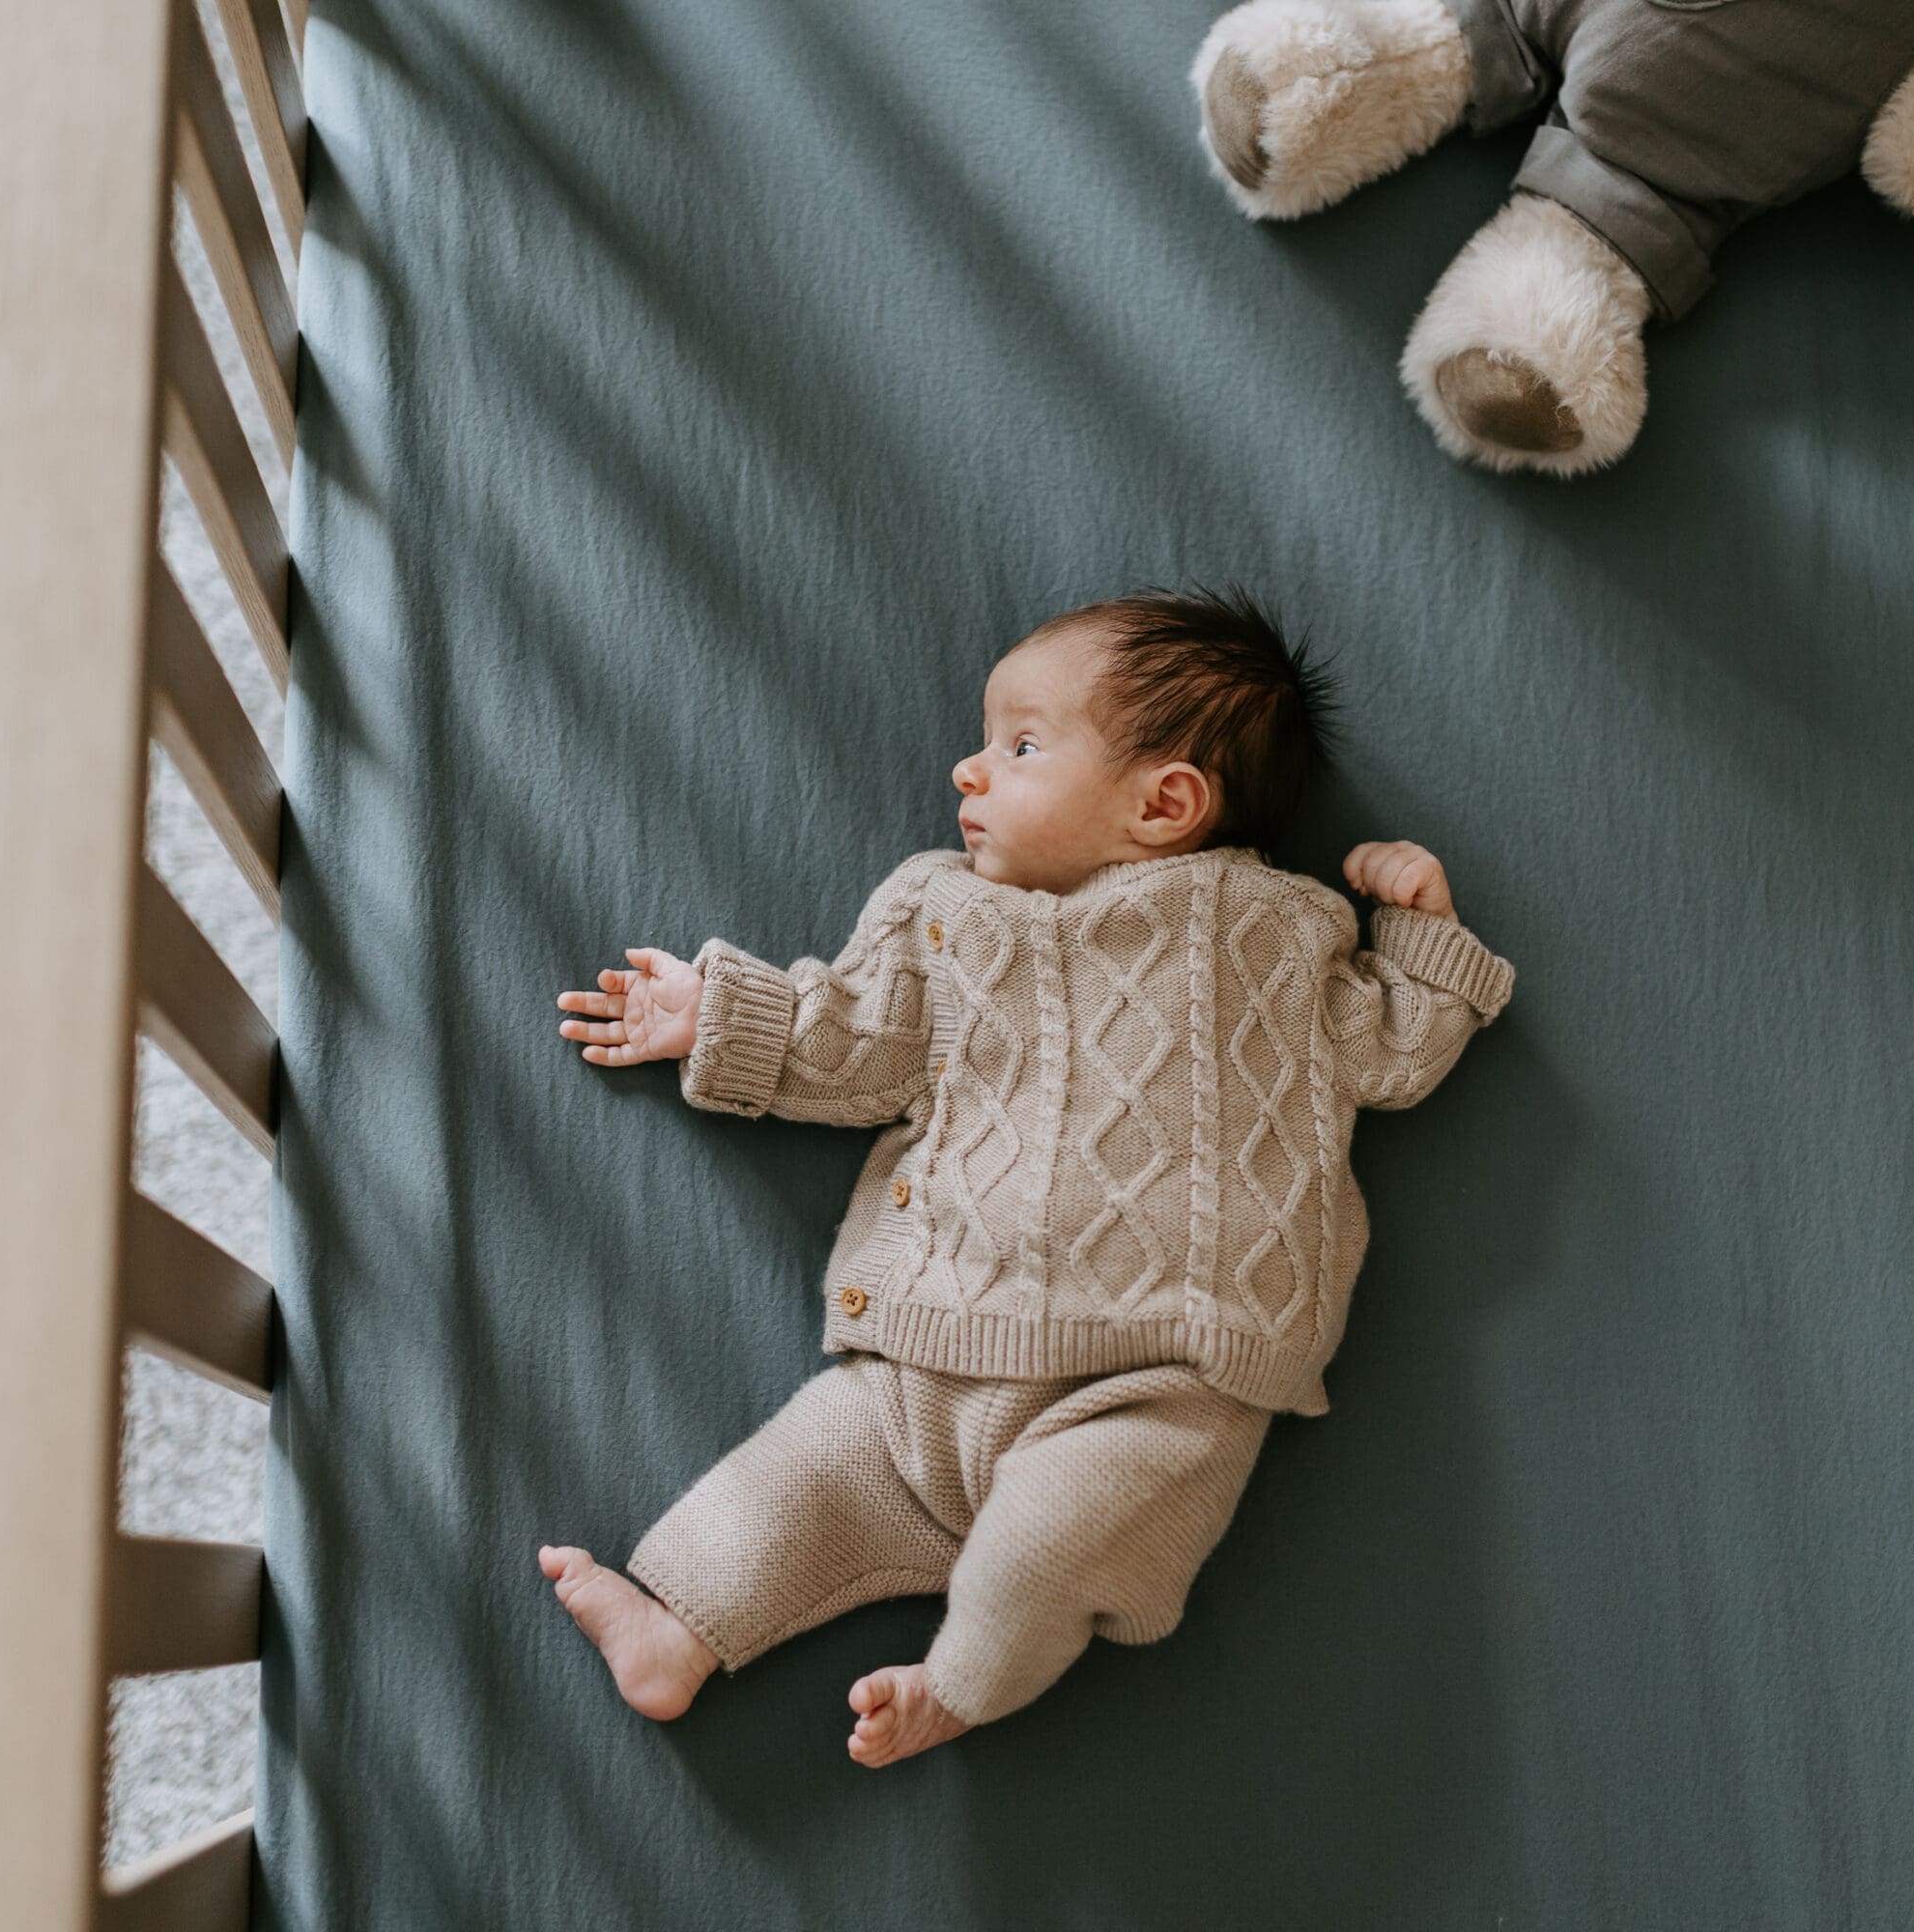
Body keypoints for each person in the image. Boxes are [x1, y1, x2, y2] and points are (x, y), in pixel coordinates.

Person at [538, 589, 1514, 1765]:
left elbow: (1394, 1053)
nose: (969, 766)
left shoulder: (1279, 932)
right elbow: (858, 1042)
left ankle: (963, 1683)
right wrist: (718, 1018)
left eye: (1021, 743)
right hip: (937, 1343)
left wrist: (1420, 930)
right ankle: (676, 1625)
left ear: (1166, 802)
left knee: (1050, 1538)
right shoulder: (946, 913)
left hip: (1166, 1368)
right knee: (805, 1469)